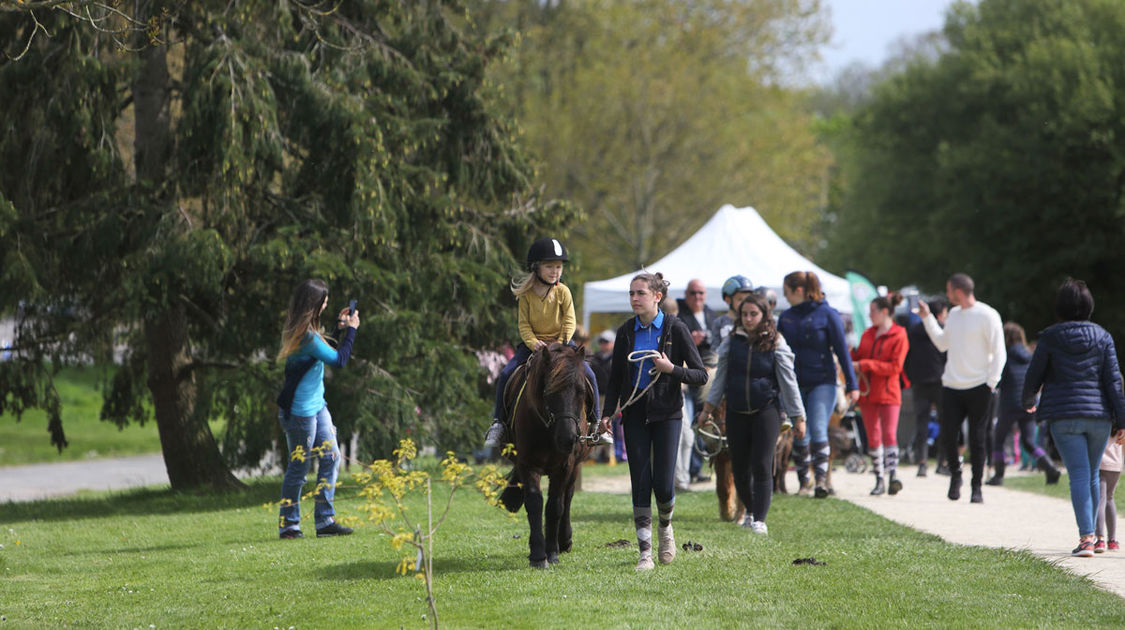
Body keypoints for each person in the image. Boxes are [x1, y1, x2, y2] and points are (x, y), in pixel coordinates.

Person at [597, 271, 708, 570]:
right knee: (640, 481)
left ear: (657, 296)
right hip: (633, 414)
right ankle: (645, 552)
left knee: (663, 483)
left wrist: (671, 368)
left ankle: (665, 528)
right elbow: (617, 378)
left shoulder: (676, 328)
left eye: (640, 293)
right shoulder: (625, 332)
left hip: (668, 414)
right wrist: (607, 414)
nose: (634, 298)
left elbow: (701, 375)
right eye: (631, 293)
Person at [1022, 279, 1125, 557]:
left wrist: (1028, 398)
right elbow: (1114, 381)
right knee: (1092, 474)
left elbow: (1035, 372)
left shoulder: (1051, 337)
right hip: (1099, 416)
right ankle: (1097, 537)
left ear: (1060, 307)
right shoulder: (1103, 336)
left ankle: (1087, 538)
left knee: (1079, 474)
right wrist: (1122, 420)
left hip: (1064, 415)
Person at [699, 293, 805, 534]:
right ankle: (749, 509)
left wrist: (798, 417)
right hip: (736, 411)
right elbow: (720, 380)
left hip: (766, 410)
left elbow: (789, 382)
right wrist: (707, 410)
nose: (748, 318)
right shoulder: (730, 342)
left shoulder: (777, 342)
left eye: (753, 314)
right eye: (744, 314)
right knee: (740, 469)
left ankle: (759, 519)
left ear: (764, 315)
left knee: (762, 464)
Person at [484, 237, 605, 448]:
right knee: (505, 375)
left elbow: (569, 322)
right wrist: (533, 343)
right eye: (550, 266)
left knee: (590, 374)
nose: (555, 271)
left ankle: (595, 423)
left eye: (558, 267)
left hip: (563, 344)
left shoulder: (563, 291)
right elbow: (523, 325)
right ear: (536, 267)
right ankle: (499, 424)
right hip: (535, 345)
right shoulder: (526, 295)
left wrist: (559, 343)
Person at [275, 279, 358, 539]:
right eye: (324, 301)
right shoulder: (307, 335)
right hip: (301, 413)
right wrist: (352, 330)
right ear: (315, 304)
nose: (327, 304)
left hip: (317, 406)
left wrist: (338, 328)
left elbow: (321, 352)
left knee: (331, 456)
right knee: (299, 466)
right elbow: (339, 359)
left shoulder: (307, 329)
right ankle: (289, 525)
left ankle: (324, 521)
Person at [917, 273, 1005, 504]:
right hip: (952, 385)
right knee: (947, 435)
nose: (946, 295)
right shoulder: (954, 315)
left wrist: (991, 382)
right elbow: (941, 343)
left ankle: (977, 487)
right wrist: (927, 318)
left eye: (948, 290)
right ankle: (955, 475)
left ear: (958, 291)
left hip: (979, 386)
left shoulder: (987, 315)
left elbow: (999, 352)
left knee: (977, 438)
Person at [778, 271, 860, 498]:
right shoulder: (786, 317)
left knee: (817, 427)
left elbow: (843, 351)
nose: (785, 297)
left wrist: (852, 385)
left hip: (823, 381)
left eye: (787, 292)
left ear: (799, 291)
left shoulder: (828, 315)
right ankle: (805, 482)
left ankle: (821, 481)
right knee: (800, 431)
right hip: (794, 383)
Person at [986, 322, 1060, 486]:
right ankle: (1050, 468)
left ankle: (998, 476)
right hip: (1028, 402)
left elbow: (998, 379)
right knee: (1029, 441)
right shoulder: (1029, 355)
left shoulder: (1003, 355)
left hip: (1009, 403)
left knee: (998, 439)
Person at [852, 292, 910, 496]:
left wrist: (865, 364)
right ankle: (879, 478)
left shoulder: (899, 334)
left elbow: (895, 367)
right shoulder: (868, 334)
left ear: (885, 312)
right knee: (873, 436)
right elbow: (858, 356)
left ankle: (892, 474)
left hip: (889, 392)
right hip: (868, 393)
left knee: (889, 434)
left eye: (873, 312)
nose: (870, 316)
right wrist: (850, 354)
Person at [676, 279, 718, 483]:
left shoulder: (710, 313)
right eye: (693, 293)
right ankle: (689, 471)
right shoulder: (679, 314)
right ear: (686, 294)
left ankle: (696, 468)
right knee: (689, 426)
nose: (697, 297)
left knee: (705, 424)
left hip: (707, 377)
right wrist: (689, 340)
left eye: (701, 293)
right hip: (687, 377)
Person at [904, 297, 948, 477]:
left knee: (921, 424)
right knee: (946, 424)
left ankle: (922, 463)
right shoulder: (943, 331)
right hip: (942, 382)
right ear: (939, 314)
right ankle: (942, 462)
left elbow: (907, 358)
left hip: (920, 382)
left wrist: (912, 377)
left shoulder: (913, 331)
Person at [1096, 439, 1122, 553]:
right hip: (1116, 464)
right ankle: (1112, 541)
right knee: (1109, 498)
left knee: (1100, 499)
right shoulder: (1121, 425)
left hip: (1101, 463)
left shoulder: (1103, 422)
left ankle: (1100, 539)